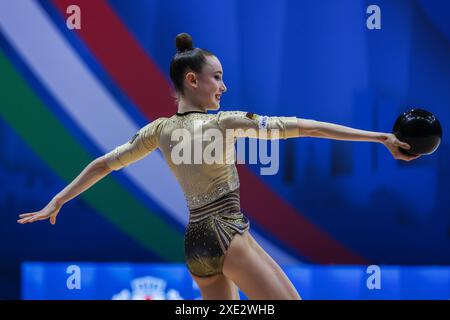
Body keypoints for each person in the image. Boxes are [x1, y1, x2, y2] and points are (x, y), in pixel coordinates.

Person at [17, 33, 419, 300]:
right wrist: (379, 138)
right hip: (226, 233)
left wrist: (57, 200)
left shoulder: (156, 131)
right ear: (192, 80)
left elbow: (103, 165)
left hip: (196, 242)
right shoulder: (224, 121)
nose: (223, 87)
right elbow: (307, 127)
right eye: (218, 78)